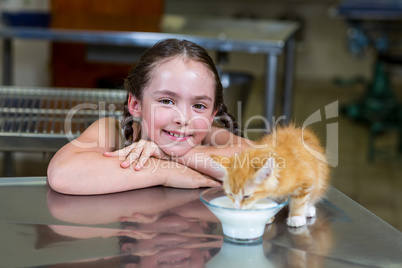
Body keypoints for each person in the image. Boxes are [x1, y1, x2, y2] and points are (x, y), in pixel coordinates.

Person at [47, 39, 252, 195]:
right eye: (167, 101)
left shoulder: (209, 136)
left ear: (211, 115)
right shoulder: (113, 131)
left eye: (199, 105)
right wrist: (166, 171)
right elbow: (63, 173)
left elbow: (264, 161)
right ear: (136, 104)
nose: (183, 118)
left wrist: (166, 153)